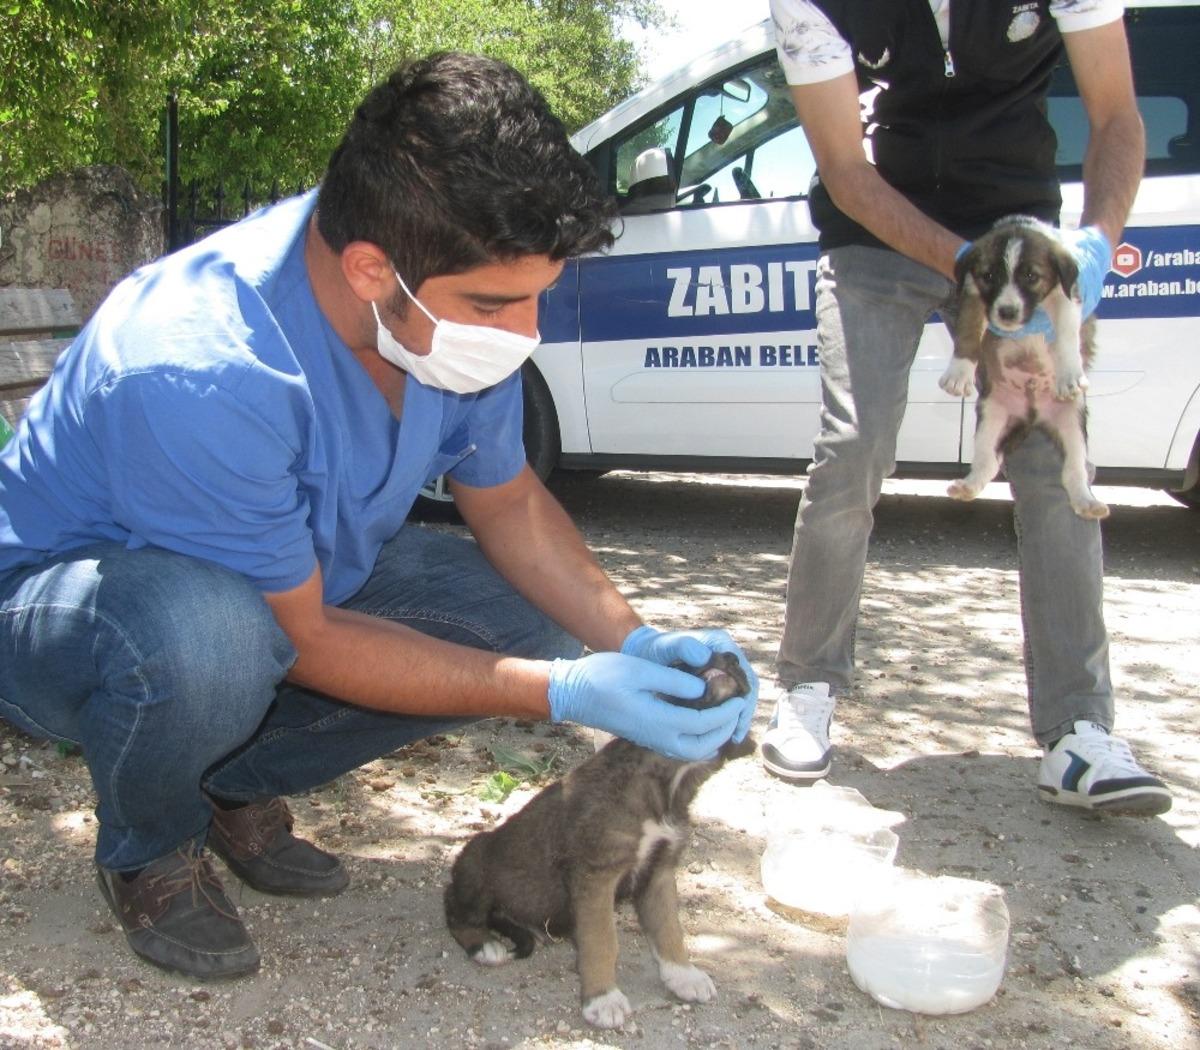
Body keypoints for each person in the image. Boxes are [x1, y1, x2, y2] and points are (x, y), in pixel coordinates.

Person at [0, 52, 758, 980]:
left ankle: (226, 780)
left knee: (526, 618)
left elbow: (511, 501)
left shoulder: (438, 323)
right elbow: (304, 636)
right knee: (209, 639)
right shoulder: (202, 363)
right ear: (371, 268)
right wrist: (559, 690)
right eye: (496, 303)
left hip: (279, 587)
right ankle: (149, 844)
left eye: (536, 297)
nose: (525, 333)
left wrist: (634, 644)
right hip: (68, 612)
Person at [760, 0, 1171, 817]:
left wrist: (1093, 238)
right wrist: (965, 268)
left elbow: (1118, 115)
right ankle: (808, 687)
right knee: (854, 446)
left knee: (1053, 455)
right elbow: (845, 167)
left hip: (1017, 231)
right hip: (875, 232)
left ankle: (1079, 732)